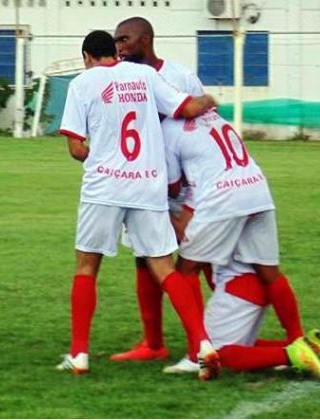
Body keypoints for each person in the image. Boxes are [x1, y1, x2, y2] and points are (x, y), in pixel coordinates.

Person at [55, 29, 221, 381]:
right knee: (164, 267)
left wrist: (102, 158)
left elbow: (76, 148)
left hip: (104, 187)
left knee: (86, 267)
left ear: (87, 57)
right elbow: (188, 107)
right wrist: (208, 98)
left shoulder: (82, 84)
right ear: (115, 53)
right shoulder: (144, 75)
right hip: (147, 185)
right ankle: (203, 344)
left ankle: (79, 354)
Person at [160, 110, 320, 382]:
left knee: (187, 275)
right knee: (270, 272)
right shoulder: (210, 116)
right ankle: (299, 340)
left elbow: (173, 186)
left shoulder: (168, 128)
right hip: (255, 187)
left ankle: (196, 353)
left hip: (224, 201)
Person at [110, 16, 210, 363]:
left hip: (186, 187)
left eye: (124, 39)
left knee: (198, 261)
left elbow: (205, 127)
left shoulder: (180, 76)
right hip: (144, 185)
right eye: (116, 41)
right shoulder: (120, 79)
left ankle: (207, 342)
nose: (119, 47)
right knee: (145, 259)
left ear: (145, 39)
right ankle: (153, 343)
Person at [166, 258, 320, 379]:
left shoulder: (209, 210)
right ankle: (309, 346)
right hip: (255, 279)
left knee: (214, 355)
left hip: (237, 283)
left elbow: (191, 261)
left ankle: (293, 354)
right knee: (240, 345)